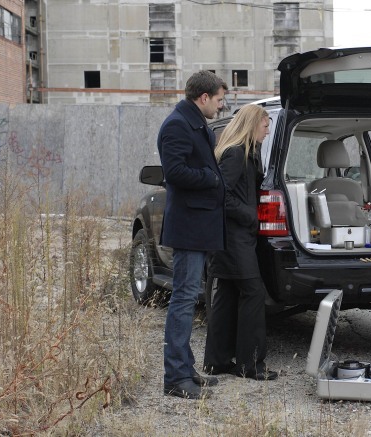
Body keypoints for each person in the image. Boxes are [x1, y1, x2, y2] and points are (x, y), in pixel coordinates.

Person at [158, 70, 228, 399]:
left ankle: (186, 369)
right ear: (203, 98)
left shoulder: (194, 124)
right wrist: (211, 179)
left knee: (187, 300)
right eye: (219, 99)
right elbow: (174, 172)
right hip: (188, 228)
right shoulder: (177, 125)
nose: (221, 106)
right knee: (183, 301)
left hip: (198, 227)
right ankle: (175, 378)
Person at [202, 104, 278, 381]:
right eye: (265, 125)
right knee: (253, 293)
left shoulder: (247, 155)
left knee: (227, 295)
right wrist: (250, 216)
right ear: (251, 124)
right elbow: (221, 195)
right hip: (233, 238)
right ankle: (249, 365)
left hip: (232, 237)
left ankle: (217, 362)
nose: (268, 131)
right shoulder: (235, 155)